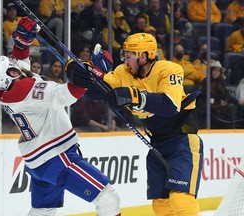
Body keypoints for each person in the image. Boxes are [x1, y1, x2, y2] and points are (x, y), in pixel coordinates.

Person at [0, 16, 121, 216]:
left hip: (38, 162)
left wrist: (22, 41)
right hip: (56, 156)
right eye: (13, 65)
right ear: (12, 74)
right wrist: (93, 74)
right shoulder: (27, 89)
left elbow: (21, 63)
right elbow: (65, 95)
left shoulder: (5, 91)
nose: (18, 63)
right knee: (108, 198)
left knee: (43, 212)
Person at [66, 33, 203, 215]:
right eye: (124, 55)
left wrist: (134, 96)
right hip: (157, 144)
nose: (124, 60)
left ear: (143, 56)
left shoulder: (169, 69)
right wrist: (80, 74)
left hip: (182, 141)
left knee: (181, 200)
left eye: (128, 56)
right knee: (161, 204)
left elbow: (170, 105)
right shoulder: (123, 72)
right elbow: (99, 93)